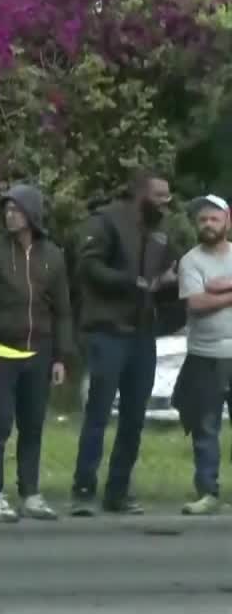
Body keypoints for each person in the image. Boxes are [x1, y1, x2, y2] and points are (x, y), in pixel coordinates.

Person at [71, 170, 181, 516]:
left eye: (168, 196)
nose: (167, 202)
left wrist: (170, 283)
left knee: (135, 417)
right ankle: (83, 491)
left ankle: (118, 491)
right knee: (99, 413)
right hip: (108, 332)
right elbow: (89, 267)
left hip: (142, 335)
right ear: (141, 194)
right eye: (160, 195)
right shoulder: (106, 222)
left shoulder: (161, 233)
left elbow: (164, 277)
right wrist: (131, 283)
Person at [0, 185, 72, 523]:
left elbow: (63, 311)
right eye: (7, 210)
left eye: (17, 210)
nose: (10, 215)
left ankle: (31, 493)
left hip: (38, 354)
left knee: (33, 426)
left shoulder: (52, 255)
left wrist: (61, 357)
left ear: (32, 215)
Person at [173, 195, 232, 516]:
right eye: (202, 220)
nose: (208, 225)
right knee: (205, 427)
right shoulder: (191, 261)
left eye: (214, 218)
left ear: (228, 220)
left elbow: (207, 297)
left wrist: (219, 288)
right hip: (204, 356)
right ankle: (208, 492)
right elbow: (196, 304)